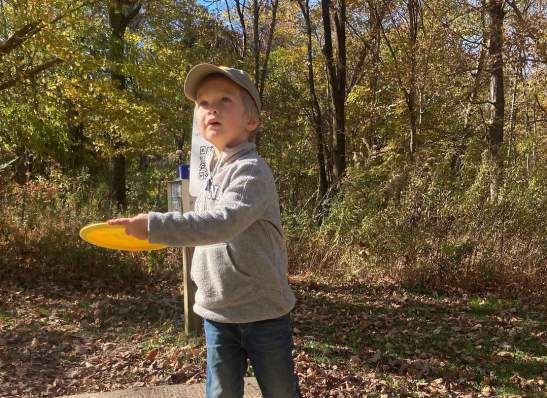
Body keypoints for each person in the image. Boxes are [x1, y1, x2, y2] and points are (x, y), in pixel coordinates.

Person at [107, 63, 301, 398]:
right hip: (217, 311)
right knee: (221, 392)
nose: (211, 108)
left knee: (281, 391)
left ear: (251, 121)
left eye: (225, 100)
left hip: (264, 313)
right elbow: (199, 226)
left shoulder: (251, 172)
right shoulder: (210, 170)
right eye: (203, 103)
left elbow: (221, 224)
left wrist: (155, 225)